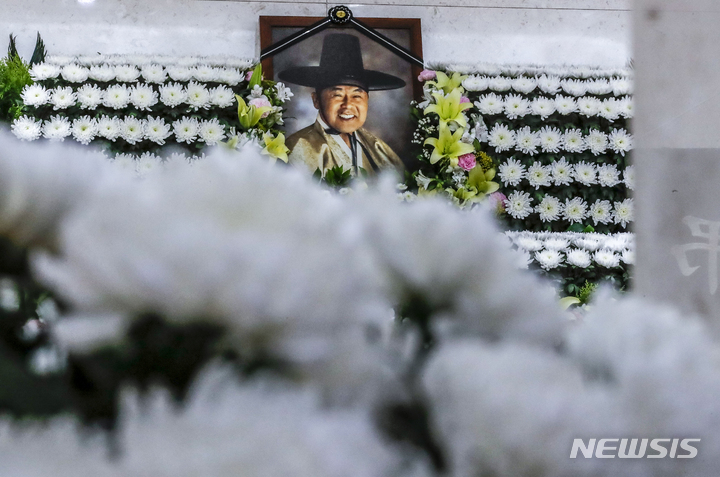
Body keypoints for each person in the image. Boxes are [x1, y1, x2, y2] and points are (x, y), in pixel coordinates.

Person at [279, 33, 406, 177]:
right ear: (316, 100)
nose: (348, 105)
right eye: (337, 95)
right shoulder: (299, 147)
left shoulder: (378, 149)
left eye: (357, 96)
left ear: (367, 100)